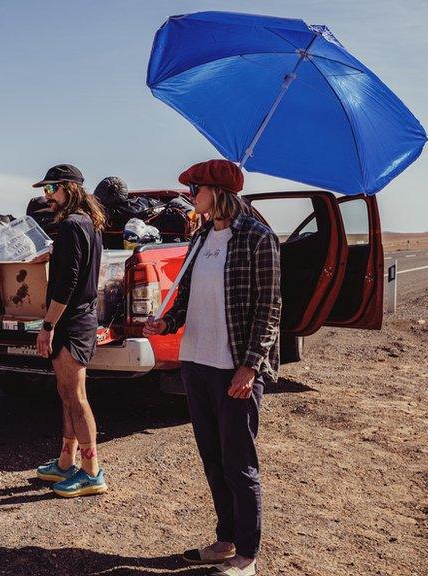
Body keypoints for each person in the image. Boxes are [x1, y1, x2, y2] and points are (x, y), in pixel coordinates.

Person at [143, 159, 280, 576]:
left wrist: (251, 366)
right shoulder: (201, 237)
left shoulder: (258, 238)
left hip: (233, 366)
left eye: (195, 188)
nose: (189, 195)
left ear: (217, 192)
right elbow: (187, 295)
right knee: (212, 458)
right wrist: (167, 321)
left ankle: (248, 554)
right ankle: (226, 540)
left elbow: (269, 308)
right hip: (196, 362)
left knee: (239, 462)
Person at [30, 164, 108, 498]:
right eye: (44, 191)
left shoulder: (74, 225)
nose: (46, 197)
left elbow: (67, 283)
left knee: (75, 396)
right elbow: (74, 263)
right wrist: (52, 253)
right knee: (66, 392)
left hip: (71, 321)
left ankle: (91, 471)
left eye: (51, 189)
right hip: (76, 318)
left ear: (69, 189)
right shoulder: (82, 224)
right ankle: (66, 461)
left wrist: (47, 325)